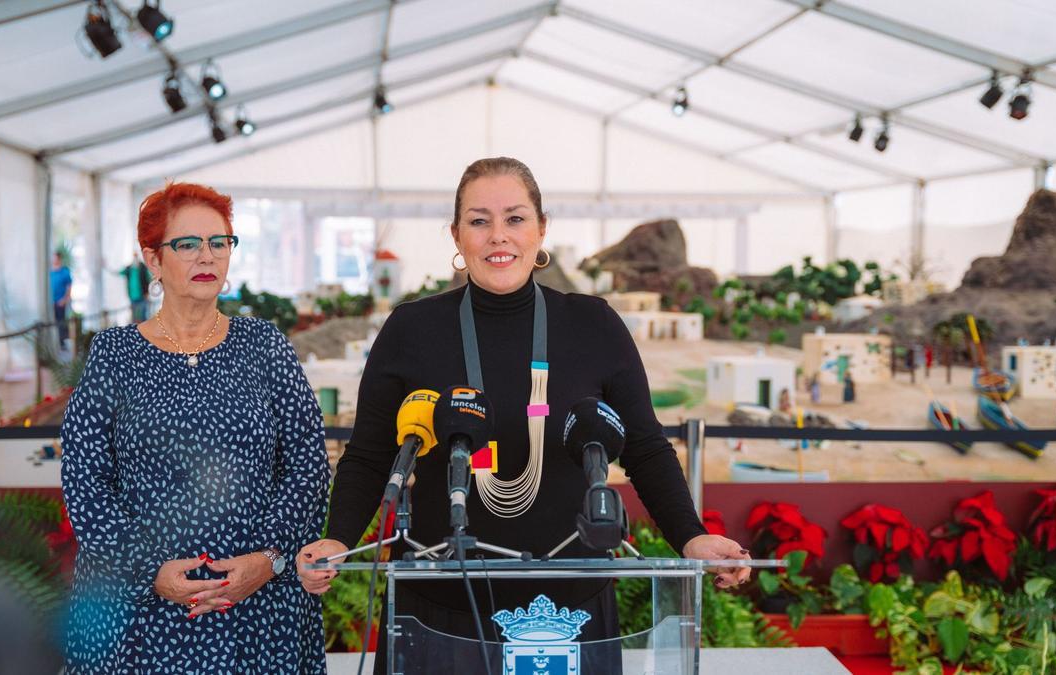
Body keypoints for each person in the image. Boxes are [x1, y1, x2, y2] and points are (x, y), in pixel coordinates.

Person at [297, 158, 750, 674]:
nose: (498, 237)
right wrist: (338, 539)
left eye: (514, 218)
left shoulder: (593, 324)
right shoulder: (411, 329)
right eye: (479, 220)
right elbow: (370, 456)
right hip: (438, 606)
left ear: (541, 229)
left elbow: (644, 449)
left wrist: (691, 536)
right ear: (456, 234)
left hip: (570, 608)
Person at [60, 182, 330, 674]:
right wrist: (148, 572)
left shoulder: (264, 345)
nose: (207, 256)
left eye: (219, 242)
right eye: (187, 244)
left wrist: (267, 560)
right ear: (154, 260)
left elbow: (308, 465)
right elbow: (85, 479)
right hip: (137, 614)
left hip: (256, 607)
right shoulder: (113, 354)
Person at [119, 251, 151, 322]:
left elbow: (149, 278)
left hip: (142, 296)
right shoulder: (129, 268)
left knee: (143, 315)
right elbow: (119, 272)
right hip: (133, 297)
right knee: (135, 316)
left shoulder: (143, 267)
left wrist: (147, 292)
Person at [50, 251, 73, 350]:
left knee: (61, 322)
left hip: (60, 301)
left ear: (59, 259)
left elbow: (69, 287)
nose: (54, 260)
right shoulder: (49, 272)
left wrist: (65, 299)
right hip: (51, 302)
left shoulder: (64, 272)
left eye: (55, 258)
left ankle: (62, 342)